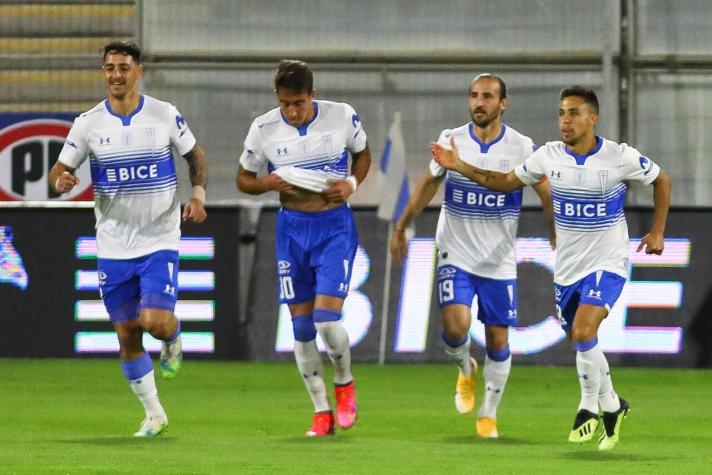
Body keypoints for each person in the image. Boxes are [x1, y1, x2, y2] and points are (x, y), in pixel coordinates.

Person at [431, 85, 671, 450]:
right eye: (561, 113)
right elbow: (503, 183)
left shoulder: (618, 156)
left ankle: (590, 407)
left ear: (593, 118)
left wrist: (657, 231)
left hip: (608, 261)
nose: (565, 120)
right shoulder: (547, 157)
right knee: (580, 338)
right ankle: (611, 404)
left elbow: (661, 180)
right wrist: (460, 165)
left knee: (584, 329)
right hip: (568, 268)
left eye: (574, 113)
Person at [49, 41, 208, 437]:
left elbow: (195, 157)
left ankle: (172, 337)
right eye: (109, 68)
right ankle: (154, 414)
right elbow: (59, 169)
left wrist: (199, 195)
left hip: (159, 237)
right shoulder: (88, 123)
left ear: (139, 70)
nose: (115, 75)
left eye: (123, 67)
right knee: (126, 334)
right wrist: (62, 179)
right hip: (113, 244)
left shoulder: (163, 114)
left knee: (153, 322)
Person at [390, 74, 555, 439]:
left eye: (487, 96)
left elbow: (544, 190)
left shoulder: (522, 146)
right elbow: (429, 183)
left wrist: (555, 230)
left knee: (498, 339)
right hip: (455, 252)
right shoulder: (453, 139)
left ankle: (489, 413)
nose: (479, 102)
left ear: (503, 103)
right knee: (455, 327)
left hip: (498, 259)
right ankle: (466, 367)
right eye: (474, 96)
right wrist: (402, 225)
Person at [236, 60, 371, 437]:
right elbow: (243, 179)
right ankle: (320, 411)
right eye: (285, 104)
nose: (291, 111)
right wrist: (268, 183)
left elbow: (363, 155)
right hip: (291, 230)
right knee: (300, 327)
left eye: (298, 102)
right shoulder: (263, 128)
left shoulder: (341, 116)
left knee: (326, 319)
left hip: (334, 227)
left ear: (312, 95)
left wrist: (351, 184)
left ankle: (344, 383)